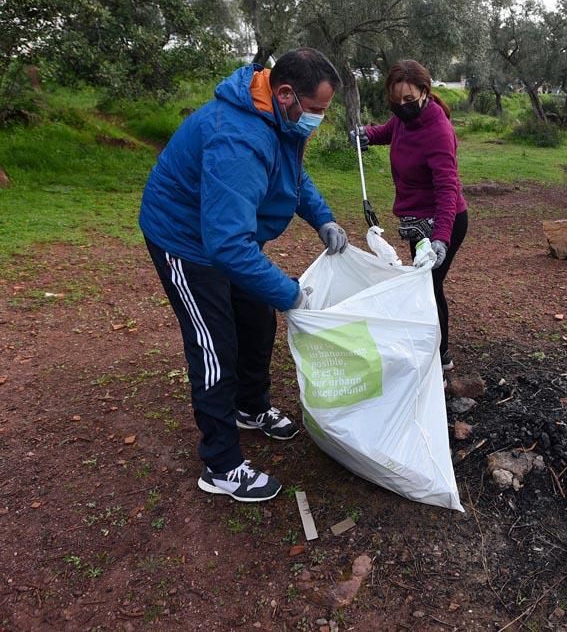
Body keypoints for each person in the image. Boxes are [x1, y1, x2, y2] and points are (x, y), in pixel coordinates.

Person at [139, 48, 350, 503]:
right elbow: (226, 245)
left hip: (226, 234)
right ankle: (221, 465)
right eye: (316, 112)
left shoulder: (279, 117)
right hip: (186, 242)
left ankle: (250, 408)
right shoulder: (236, 137)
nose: (317, 121)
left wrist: (323, 219)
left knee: (256, 322)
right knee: (215, 346)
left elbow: (292, 176)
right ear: (288, 93)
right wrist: (290, 293)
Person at [349, 59, 468, 374]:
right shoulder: (404, 119)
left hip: (443, 222)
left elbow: (447, 189)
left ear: (425, 93)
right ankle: (432, 351)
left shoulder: (438, 131)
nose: (402, 107)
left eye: (408, 100)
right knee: (425, 286)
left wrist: (441, 238)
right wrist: (367, 135)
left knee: (428, 287)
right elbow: (390, 130)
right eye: (395, 100)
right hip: (416, 223)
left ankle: (439, 358)